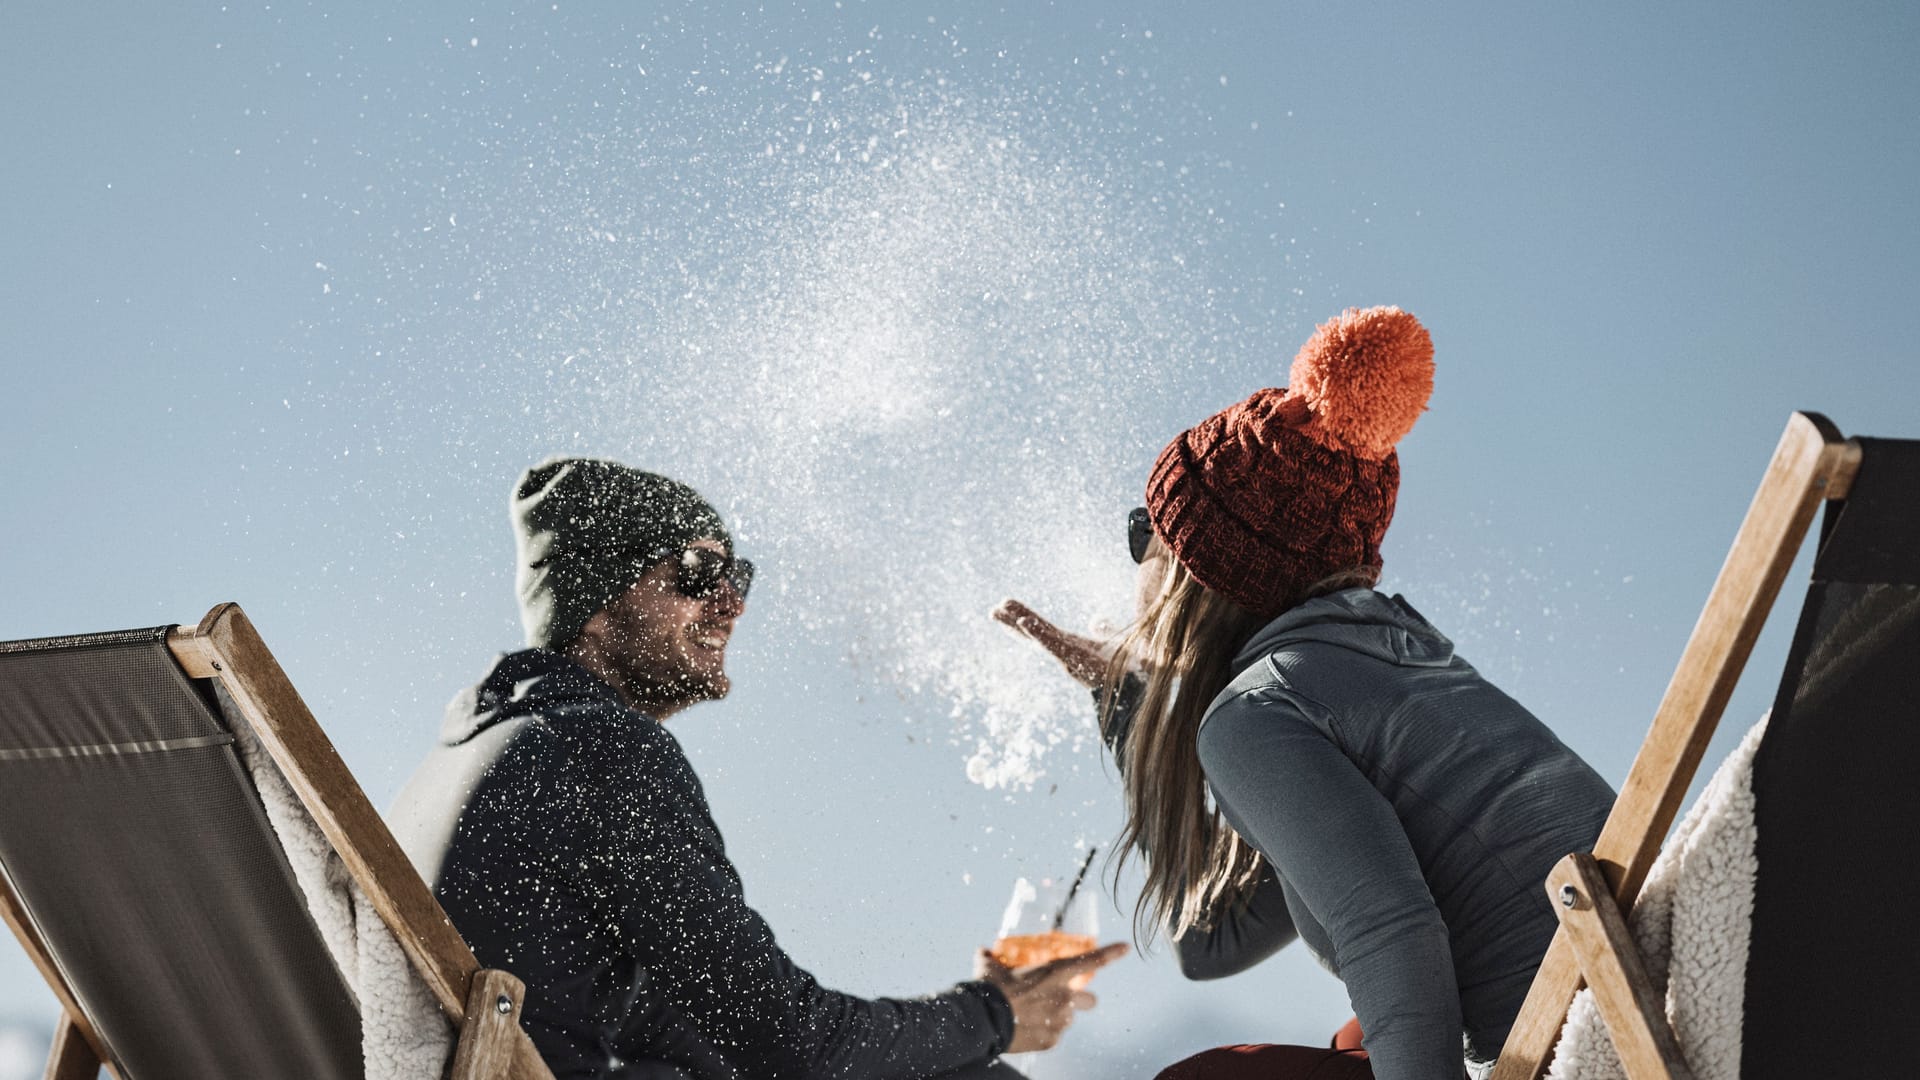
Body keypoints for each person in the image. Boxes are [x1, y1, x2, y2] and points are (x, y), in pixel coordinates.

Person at [996, 307, 1616, 1080]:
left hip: (1598, 1040)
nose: (1134, 565)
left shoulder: (1260, 712)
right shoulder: (1386, 661)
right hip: (1641, 996)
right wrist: (1130, 707)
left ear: (1193, 562)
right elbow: (1209, 942)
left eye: (1141, 531)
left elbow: (1390, 931)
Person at [390, 458, 1125, 1080]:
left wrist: (962, 1034)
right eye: (696, 573)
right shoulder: (599, 751)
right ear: (594, 603)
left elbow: (697, 1029)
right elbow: (787, 1041)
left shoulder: (490, 751)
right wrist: (995, 1016)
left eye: (736, 573)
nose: (732, 603)